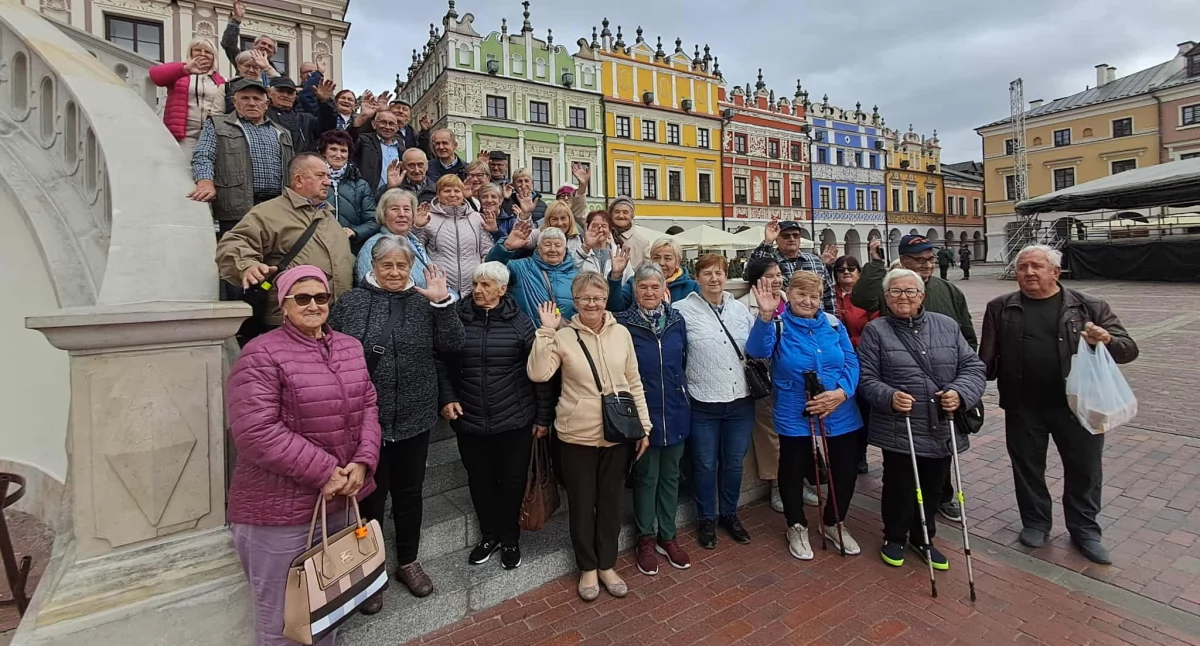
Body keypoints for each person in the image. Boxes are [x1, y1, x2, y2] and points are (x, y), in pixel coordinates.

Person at [226, 265, 380, 646]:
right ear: (284, 304)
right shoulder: (260, 353)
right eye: (303, 298)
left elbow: (369, 404)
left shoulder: (349, 345)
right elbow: (255, 431)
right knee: (285, 621)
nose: (314, 305)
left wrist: (364, 460)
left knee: (328, 607)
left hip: (340, 500)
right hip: (281, 510)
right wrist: (327, 471)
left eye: (322, 297)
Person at [980, 245, 1138, 565]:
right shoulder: (1000, 307)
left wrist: (1105, 339)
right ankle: (1036, 522)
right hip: (1023, 405)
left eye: (1036, 266)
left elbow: (1128, 350)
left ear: (1056, 272)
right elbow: (985, 361)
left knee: (1085, 470)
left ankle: (1085, 530)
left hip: (1079, 407)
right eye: (1022, 267)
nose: (1028, 273)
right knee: (1027, 469)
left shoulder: (1089, 306)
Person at [328, 237, 464, 607]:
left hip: (415, 415)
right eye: (386, 265)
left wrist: (442, 304)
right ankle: (368, 571)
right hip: (365, 421)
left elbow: (453, 344)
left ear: (410, 268)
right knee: (369, 496)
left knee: (409, 493)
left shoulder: (424, 304)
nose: (394, 272)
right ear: (372, 265)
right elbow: (332, 356)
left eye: (401, 266)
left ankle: (408, 560)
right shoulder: (351, 303)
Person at [527, 273, 651, 601]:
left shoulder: (621, 333)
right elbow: (538, 373)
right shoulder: (563, 336)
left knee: (610, 503)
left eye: (597, 297)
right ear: (575, 301)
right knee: (582, 504)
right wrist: (545, 331)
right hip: (575, 435)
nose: (591, 303)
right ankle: (588, 567)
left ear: (606, 299)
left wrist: (644, 426)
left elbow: (633, 382)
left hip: (618, 433)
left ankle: (608, 564)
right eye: (584, 298)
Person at [857, 268, 986, 570]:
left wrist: (960, 392)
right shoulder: (877, 331)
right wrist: (888, 396)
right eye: (896, 292)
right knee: (899, 484)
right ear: (886, 298)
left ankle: (924, 537)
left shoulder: (947, 325)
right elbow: (865, 377)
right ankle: (895, 536)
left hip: (942, 421)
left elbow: (973, 367)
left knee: (933, 484)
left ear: (921, 296)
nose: (903, 297)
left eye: (910, 291)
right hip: (900, 424)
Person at [436, 262, 554, 571]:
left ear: (502, 289)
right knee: (480, 481)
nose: (478, 290)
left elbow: (538, 372)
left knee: (513, 481)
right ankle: (489, 536)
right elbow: (442, 361)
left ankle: (510, 537)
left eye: (486, 285)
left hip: (514, 418)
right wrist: (447, 397)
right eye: (476, 283)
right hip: (470, 418)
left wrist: (542, 418)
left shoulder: (521, 323)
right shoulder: (457, 319)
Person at [852, 234, 976, 523]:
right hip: (904, 395)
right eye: (919, 260)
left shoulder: (948, 290)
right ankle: (898, 525)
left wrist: (962, 384)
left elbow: (967, 338)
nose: (927, 265)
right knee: (901, 467)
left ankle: (943, 498)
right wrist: (876, 263)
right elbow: (861, 298)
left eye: (930, 259)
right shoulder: (890, 289)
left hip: (943, 393)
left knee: (942, 456)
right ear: (904, 261)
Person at [746, 271, 864, 560]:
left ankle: (834, 522)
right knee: (792, 467)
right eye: (801, 294)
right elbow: (756, 351)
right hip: (793, 407)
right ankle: (795, 523)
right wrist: (764, 315)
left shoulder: (833, 324)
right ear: (790, 294)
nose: (807, 301)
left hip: (838, 406)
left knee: (845, 469)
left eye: (813, 295)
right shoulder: (778, 326)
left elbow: (851, 361)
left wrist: (841, 393)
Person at [215, 153, 353, 342]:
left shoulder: (329, 217)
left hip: (331, 322)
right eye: (320, 176)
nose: (327, 182)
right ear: (298, 180)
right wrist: (247, 266)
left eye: (328, 176)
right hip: (287, 323)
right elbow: (232, 244)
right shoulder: (269, 213)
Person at [674, 254, 757, 549]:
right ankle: (707, 517)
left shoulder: (740, 309)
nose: (714, 278)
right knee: (705, 463)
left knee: (734, 463)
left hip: (739, 401)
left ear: (726, 276)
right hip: (702, 401)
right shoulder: (681, 310)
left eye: (719, 273)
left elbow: (756, 346)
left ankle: (729, 514)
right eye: (707, 273)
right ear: (696, 277)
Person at [616, 263, 692, 576]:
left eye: (654, 287)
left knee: (671, 475)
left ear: (664, 290)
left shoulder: (677, 320)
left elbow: (683, 358)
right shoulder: (623, 324)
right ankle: (645, 537)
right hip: (643, 412)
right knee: (646, 477)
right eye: (643, 287)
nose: (649, 292)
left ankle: (668, 535)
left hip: (675, 408)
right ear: (635, 291)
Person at [190, 78, 292, 234]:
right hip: (237, 206)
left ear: (266, 104)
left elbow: (292, 168)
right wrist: (205, 181)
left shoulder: (283, 132)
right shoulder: (217, 124)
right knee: (237, 255)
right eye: (245, 98)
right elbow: (203, 155)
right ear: (234, 102)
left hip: (277, 206)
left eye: (257, 99)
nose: (251, 103)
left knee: (275, 256)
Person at [738, 258, 786, 513]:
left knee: (795, 433)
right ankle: (777, 484)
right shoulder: (744, 305)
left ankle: (798, 478)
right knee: (769, 432)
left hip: (792, 378)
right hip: (764, 379)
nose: (777, 279)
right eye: (770, 275)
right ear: (757, 280)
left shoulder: (789, 300)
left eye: (779, 274)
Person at [832, 254, 878, 474]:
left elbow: (873, 326)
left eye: (851, 268)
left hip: (862, 358)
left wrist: (849, 342)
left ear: (859, 272)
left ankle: (861, 452)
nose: (846, 272)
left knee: (863, 407)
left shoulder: (866, 296)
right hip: (835, 361)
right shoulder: (829, 295)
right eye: (841, 269)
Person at [414, 175, 494, 295]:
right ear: (438, 194)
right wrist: (417, 227)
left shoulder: (476, 217)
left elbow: (487, 250)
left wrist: (481, 275)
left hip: (473, 288)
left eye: (457, 191)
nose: (452, 194)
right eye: (446, 191)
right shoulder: (428, 217)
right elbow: (417, 248)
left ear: (463, 194)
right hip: (442, 288)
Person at [486, 223, 578, 321]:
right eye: (547, 244)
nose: (552, 249)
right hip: (529, 334)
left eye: (558, 245)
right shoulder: (522, 268)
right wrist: (506, 247)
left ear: (565, 249)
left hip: (563, 335)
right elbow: (490, 270)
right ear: (539, 248)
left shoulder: (576, 276)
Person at [150, 38, 225, 156]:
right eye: (198, 50)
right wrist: (185, 69)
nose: (202, 54)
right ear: (190, 52)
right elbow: (155, 76)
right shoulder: (180, 73)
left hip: (211, 135)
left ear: (213, 56)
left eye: (207, 52)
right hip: (184, 134)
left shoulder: (221, 81)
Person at [750, 218, 837, 312]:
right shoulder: (770, 260)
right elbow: (752, 269)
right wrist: (768, 242)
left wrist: (832, 321)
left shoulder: (815, 260)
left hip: (817, 319)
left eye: (795, 235)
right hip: (785, 318)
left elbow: (828, 293)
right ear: (777, 239)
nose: (791, 239)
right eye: (786, 236)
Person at [355, 189, 432, 288]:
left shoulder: (414, 242)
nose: (402, 214)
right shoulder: (374, 244)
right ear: (383, 214)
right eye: (395, 209)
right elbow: (371, 289)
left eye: (407, 209)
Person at [319, 130, 378, 256]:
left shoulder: (360, 185)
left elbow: (373, 221)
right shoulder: (314, 181)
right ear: (324, 152)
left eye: (343, 150)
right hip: (319, 246)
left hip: (351, 249)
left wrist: (354, 231)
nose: (338, 155)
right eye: (333, 149)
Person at [607, 237, 699, 311]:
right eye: (656, 258)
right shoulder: (635, 282)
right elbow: (615, 306)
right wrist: (616, 275)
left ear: (678, 262)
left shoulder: (691, 288)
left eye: (668, 258)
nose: (661, 263)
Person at [266, 76, 337, 154]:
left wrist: (325, 102)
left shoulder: (306, 119)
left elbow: (327, 127)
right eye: (280, 91)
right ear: (269, 93)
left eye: (290, 93)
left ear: (295, 96)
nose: (285, 95)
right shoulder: (263, 116)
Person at [220, 0, 279, 84]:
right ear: (254, 45)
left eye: (270, 46)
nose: (266, 47)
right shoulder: (243, 58)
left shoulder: (275, 70)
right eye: (263, 43)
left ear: (273, 54)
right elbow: (228, 44)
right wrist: (236, 19)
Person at [355, 109, 404, 198]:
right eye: (383, 122)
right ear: (374, 124)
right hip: (368, 196)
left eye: (391, 124)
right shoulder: (364, 141)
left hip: (395, 197)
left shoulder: (401, 148)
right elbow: (348, 142)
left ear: (397, 128)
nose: (387, 127)